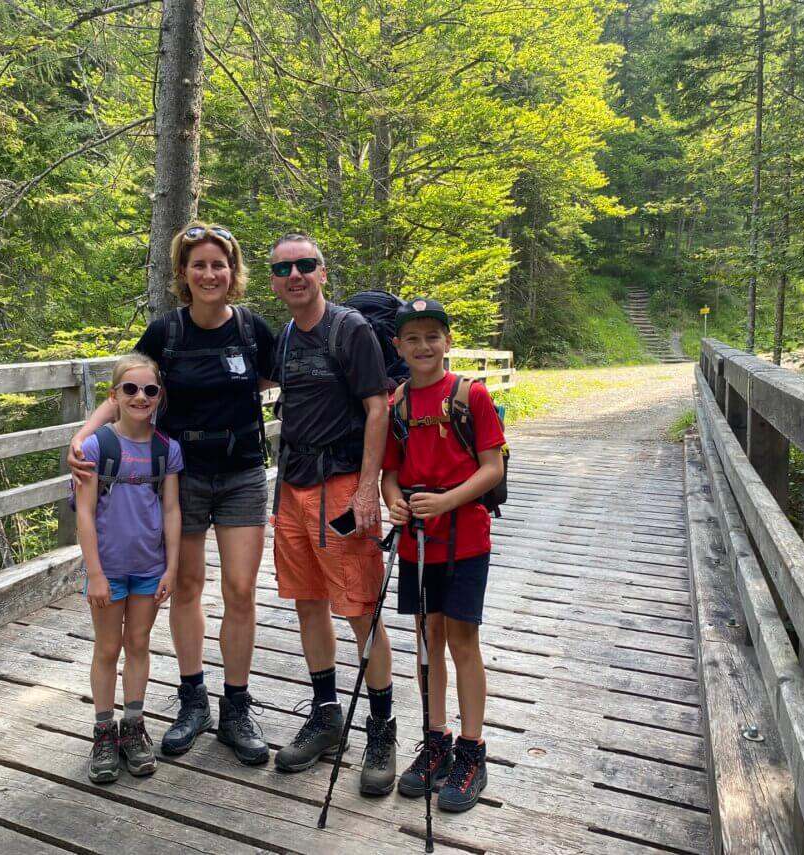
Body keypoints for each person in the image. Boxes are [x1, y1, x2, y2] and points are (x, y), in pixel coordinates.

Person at [70, 222, 276, 766]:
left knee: (240, 588)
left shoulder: (254, 331)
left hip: (241, 472)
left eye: (219, 264)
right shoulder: (167, 332)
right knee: (186, 585)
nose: (210, 274)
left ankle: (235, 708)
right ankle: (193, 700)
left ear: (233, 273)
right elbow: (127, 387)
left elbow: (295, 381)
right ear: (183, 274)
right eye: (199, 265)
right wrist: (85, 434)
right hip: (179, 477)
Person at [266, 232, 397, 795]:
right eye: (283, 268)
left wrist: (368, 490)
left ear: (322, 272)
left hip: (341, 487)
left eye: (305, 265)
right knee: (307, 602)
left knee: (360, 607)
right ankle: (325, 717)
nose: (294, 275)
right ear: (273, 281)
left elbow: (377, 409)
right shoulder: (286, 338)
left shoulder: (352, 330)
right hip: (292, 487)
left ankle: (381, 729)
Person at [381, 297, 506, 812]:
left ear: (448, 341)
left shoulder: (470, 395)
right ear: (398, 347)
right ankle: (436, 739)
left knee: (462, 640)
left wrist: (447, 500)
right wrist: (394, 501)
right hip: (417, 543)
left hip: (466, 539)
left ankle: (472, 751)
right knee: (427, 639)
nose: (424, 345)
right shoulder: (398, 404)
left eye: (433, 336)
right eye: (412, 338)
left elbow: (492, 467)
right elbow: (390, 470)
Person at [73, 353, 183, 784]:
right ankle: (103, 729)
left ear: (160, 396)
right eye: (130, 389)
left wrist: (171, 567)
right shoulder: (99, 446)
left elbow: (171, 509)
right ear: (114, 395)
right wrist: (95, 572)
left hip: (149, 567)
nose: (140, 397)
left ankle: (133, 726)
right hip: (110, 567)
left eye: (150, 390)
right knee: (107, 648)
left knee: (138, 643)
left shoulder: (167, 450)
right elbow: (84, 514)